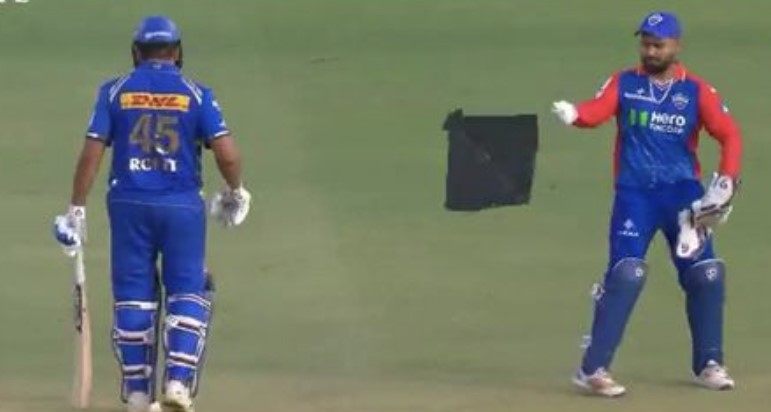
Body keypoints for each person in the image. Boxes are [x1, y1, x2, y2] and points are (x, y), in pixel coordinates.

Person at [53, 15, 251, 412]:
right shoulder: (196, 94)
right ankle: (177, 383)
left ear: (135, 52)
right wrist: (234, 191)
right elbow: (227, 155)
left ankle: (138, 395)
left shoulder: (114, 92)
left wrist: (76, 208)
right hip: (181, 206)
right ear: (176, 52)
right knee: (188, 288)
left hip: (127, 204)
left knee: (133, 295)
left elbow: (91, 153)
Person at [551, 11, 742, 397]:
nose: (650, 51)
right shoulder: (625, 83)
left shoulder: (696, 91)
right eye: (646, 44)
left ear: (676, 46)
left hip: (682, 196)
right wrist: (576, 114)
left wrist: (726, 181)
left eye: (658, 45)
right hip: (635, 195)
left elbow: (729, 135)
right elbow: (598, 110)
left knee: (706, 274)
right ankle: (592, 369)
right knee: (627, 274)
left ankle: (709, 364)